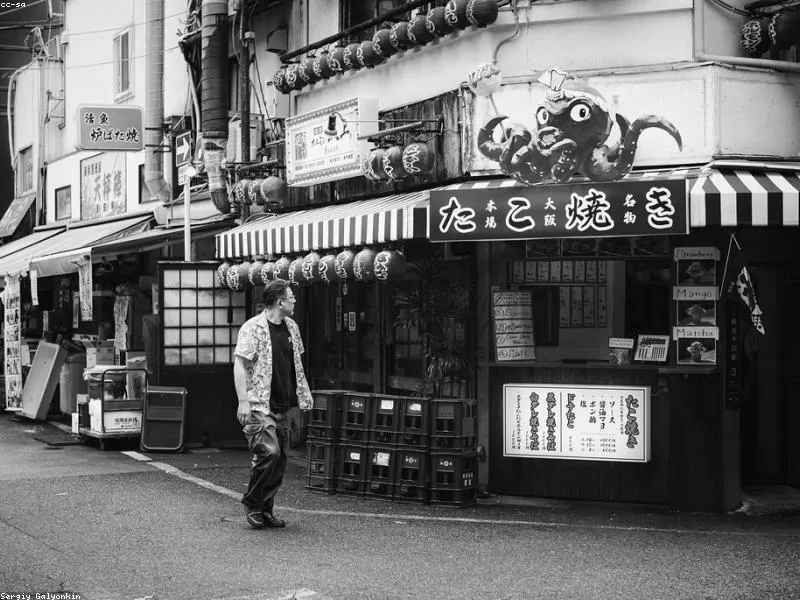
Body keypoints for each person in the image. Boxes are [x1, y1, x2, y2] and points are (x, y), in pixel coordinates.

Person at [233, 279, 313, 529]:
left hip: (284, 403)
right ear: (280, 301)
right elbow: (240, 364)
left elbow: (296, 365)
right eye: (291, 296)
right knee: (269, 452)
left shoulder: (292, 327)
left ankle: (266, 509)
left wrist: (303, 395)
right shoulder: (252, 327)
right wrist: (243, 401)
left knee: (280, 460)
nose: (295, 300)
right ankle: (252, 503)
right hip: (259, 404)